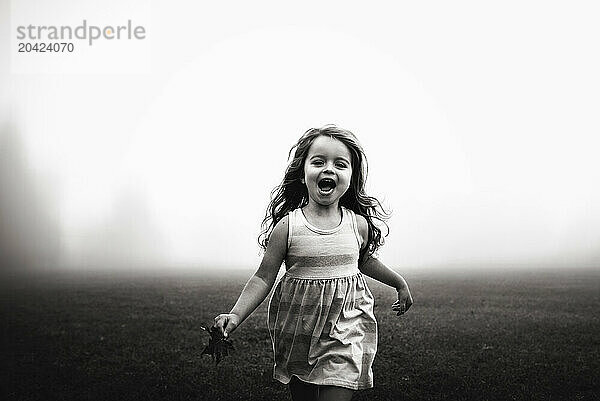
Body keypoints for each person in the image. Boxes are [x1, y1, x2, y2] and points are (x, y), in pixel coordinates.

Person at [213, 125, 413, 401]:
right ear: (302, 172)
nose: (328, 169)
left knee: (337, 389)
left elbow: (365, 261)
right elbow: (263, 278)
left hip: (345, 330)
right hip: (299, 332)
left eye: (339, 164)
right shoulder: (288, 227)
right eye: (318, 161)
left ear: (351, 176)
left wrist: (398, 282)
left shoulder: (358, 225)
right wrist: (235, 315)